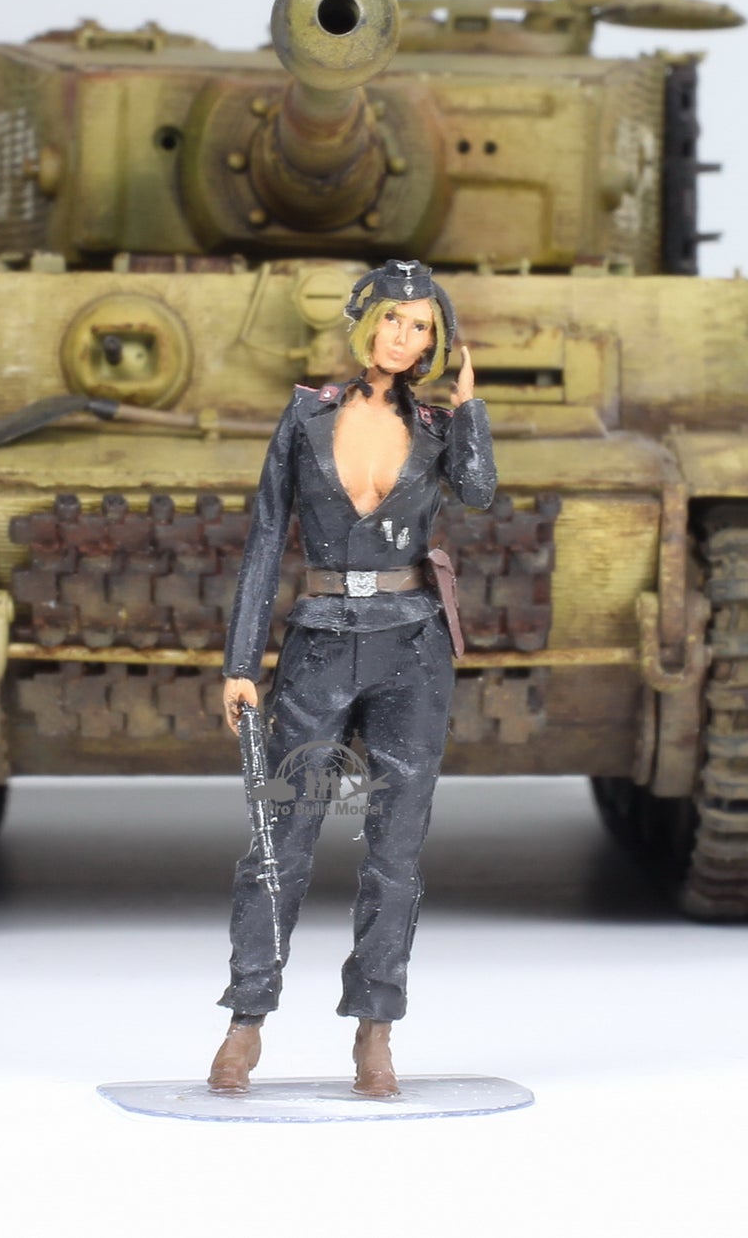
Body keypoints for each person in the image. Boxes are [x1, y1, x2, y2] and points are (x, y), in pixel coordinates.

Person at [208, 258, 496, 1098]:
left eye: (422, 327)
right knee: (281, 836)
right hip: (321, 642)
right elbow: (267, 536)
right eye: (394, 320)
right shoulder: (307, 416)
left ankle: (376, 1028)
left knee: (396, 848)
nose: (404, 338)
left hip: (411, 644)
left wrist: (472, 411)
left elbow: (478, 492)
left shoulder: (437, 424)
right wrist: (241, 662)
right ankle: (246, 1018)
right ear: (366, 322)